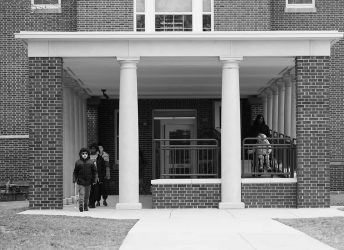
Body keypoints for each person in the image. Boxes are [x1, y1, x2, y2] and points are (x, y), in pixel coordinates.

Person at [73, 148, 97, 212]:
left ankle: (85, 205)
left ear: (88, 154)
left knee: (87, 195)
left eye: (86, 153)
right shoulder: (78, 162)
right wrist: (74, 179)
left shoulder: (91, 162)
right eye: (83, 154)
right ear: (81, 154)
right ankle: (81, 205)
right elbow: (75, 172)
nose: (84, 155)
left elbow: (94, 172)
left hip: (89, 181)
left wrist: (95, 180)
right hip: (80, 181)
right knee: (81, 193)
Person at [88, 144, 106, 208]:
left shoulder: (100, 158)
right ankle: (90, 202)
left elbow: (103, 168)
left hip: (97, 177)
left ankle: (92, 202)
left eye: (94, 148)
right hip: (89, 177)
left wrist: (103, 176)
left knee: (96, 191)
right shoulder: (87, 157)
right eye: (91, 148)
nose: (93, 150)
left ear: (96, 150)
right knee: (89, 191)